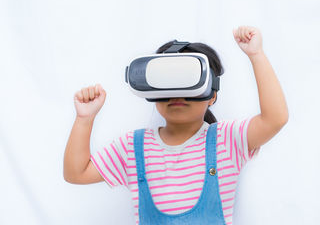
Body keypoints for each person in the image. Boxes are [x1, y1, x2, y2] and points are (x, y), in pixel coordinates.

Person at [63, 26, 289, 225]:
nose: (177, 94)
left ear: (212, 94)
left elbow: (275, 118)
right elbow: (76, 173)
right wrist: (85, 118)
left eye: (188, 81)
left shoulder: (227, 140)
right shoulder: (133, 147)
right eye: (168, 82)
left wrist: (256, 54)